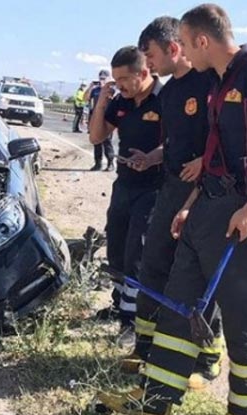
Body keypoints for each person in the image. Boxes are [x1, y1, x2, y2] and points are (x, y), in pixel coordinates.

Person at [98, 5, 247, 415]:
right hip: (209, 204)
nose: (180, 51)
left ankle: (243, 413)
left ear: (201, 41)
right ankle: (157, 399)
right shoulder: (221, 82)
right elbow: (216, 154)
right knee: (179, 299)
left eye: (184, 43)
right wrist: (190, 204)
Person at [119, 16, 224, 390]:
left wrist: (205, 161)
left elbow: (224, 135)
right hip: (172, 187)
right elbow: (175, 142)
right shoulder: (169, 93)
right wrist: (153, 157)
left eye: (149, 55)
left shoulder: (210, 81)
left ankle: (207, 357)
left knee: (198, 276)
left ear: (174, 48)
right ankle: (145, 345)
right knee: (154, 264)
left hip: (208, 192)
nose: (147, 65)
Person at [89, 46, 163, 347]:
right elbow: (97, 137)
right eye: (115, 80)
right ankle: (120, 303)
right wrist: (102, 102)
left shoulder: (166, 100)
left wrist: (152, 158)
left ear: (143, 73)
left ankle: (132, 321)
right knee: (117, 247)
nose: (119, 85)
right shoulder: (121, 102)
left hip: (154, 188)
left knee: (136, 252)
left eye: (123, 79)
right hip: (125, 184)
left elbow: (181, 143)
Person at [85, 69, 116, 170]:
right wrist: (90, 87)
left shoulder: (111, 89)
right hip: (96, 117)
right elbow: (85, 98)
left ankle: (110, 163)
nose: (101, 80)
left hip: (107, 117)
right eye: (100, 78)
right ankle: (98, 163)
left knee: (107, 141)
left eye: (104, 78)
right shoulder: (95, 90)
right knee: (96, 141)